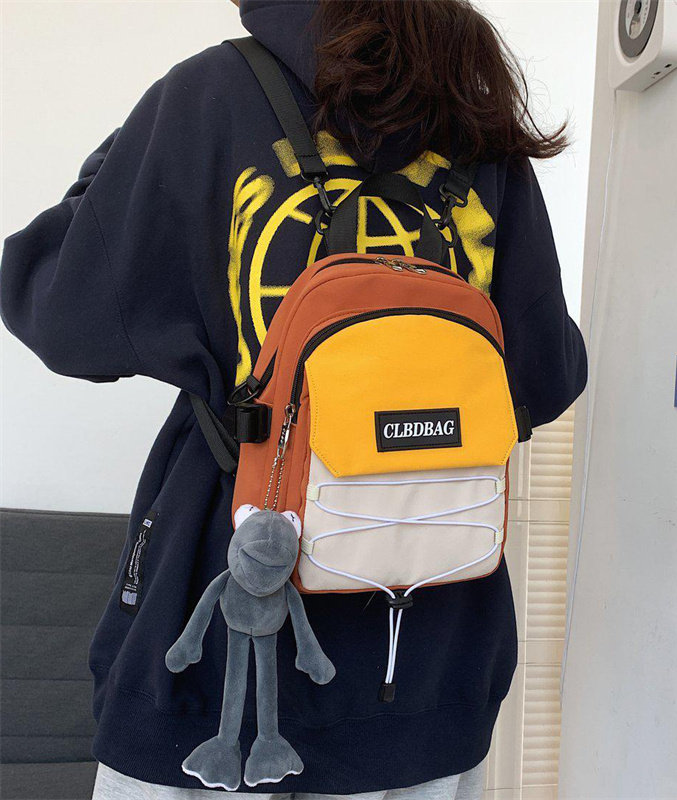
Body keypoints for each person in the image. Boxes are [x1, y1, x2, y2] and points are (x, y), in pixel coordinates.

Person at [0, 0, 587, 798]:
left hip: (225, 621)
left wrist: (107, 176)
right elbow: (544, 376)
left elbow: (65, 316)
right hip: (427, 634)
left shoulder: (210, 94)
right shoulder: (472, 112)